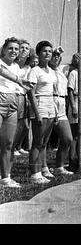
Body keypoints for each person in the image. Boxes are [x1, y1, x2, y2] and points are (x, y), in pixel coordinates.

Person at [0, 37, 32, 188]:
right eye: (10, 48)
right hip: (0, 100)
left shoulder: (17, 67)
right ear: (4, 50)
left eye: (16, 49)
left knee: (8, 143)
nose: (14, 51)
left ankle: (6, 178)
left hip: (12, 103)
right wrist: (17, 79)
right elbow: (2, 70)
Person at [27, 40, 58, 184]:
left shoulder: (52, 71)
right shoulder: (34, 71)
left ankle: (41, 170)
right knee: (37, 142)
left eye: (50, 51)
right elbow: (31, 93)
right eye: (44, 51)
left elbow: (53, 91)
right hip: (40, 105)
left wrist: (55, 111)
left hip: (51, 105)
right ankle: (35, 174)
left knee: (44, 142)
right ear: (38, 54)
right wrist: (37, 113)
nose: (47, 54)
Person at [45, 48, 74, 176]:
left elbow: (73, 65)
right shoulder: (47, 71)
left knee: (67, 139)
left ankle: (59, 166)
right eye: (53, 55)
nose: (56, 57)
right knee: (43, 140)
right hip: (51, 102)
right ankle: (43, 168)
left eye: (58, 56)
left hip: (62, 103)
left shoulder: (62, 71)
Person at [13, 39, 31, 157]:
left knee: (25, 126)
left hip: (24, 97)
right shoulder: (13, 64)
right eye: (22, 47)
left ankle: (18, 146)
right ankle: (13, 147)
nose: (24, 50)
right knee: (15, 124)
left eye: (27, 48)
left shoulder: (28, 67)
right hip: (14, 96)